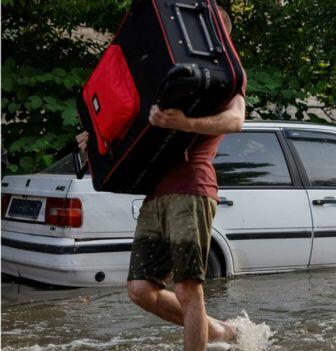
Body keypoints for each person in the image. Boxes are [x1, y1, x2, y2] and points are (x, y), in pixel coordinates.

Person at [76, 8, 244, 351]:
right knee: (140, 289)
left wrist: (186, 124)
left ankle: (210, 335)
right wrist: (93, 142)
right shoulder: (164, 72)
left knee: (187, 288)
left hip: (191, 187)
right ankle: (220, 331)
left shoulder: (226, 78)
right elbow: (132, 125)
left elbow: (236, 120)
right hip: (156, 192)